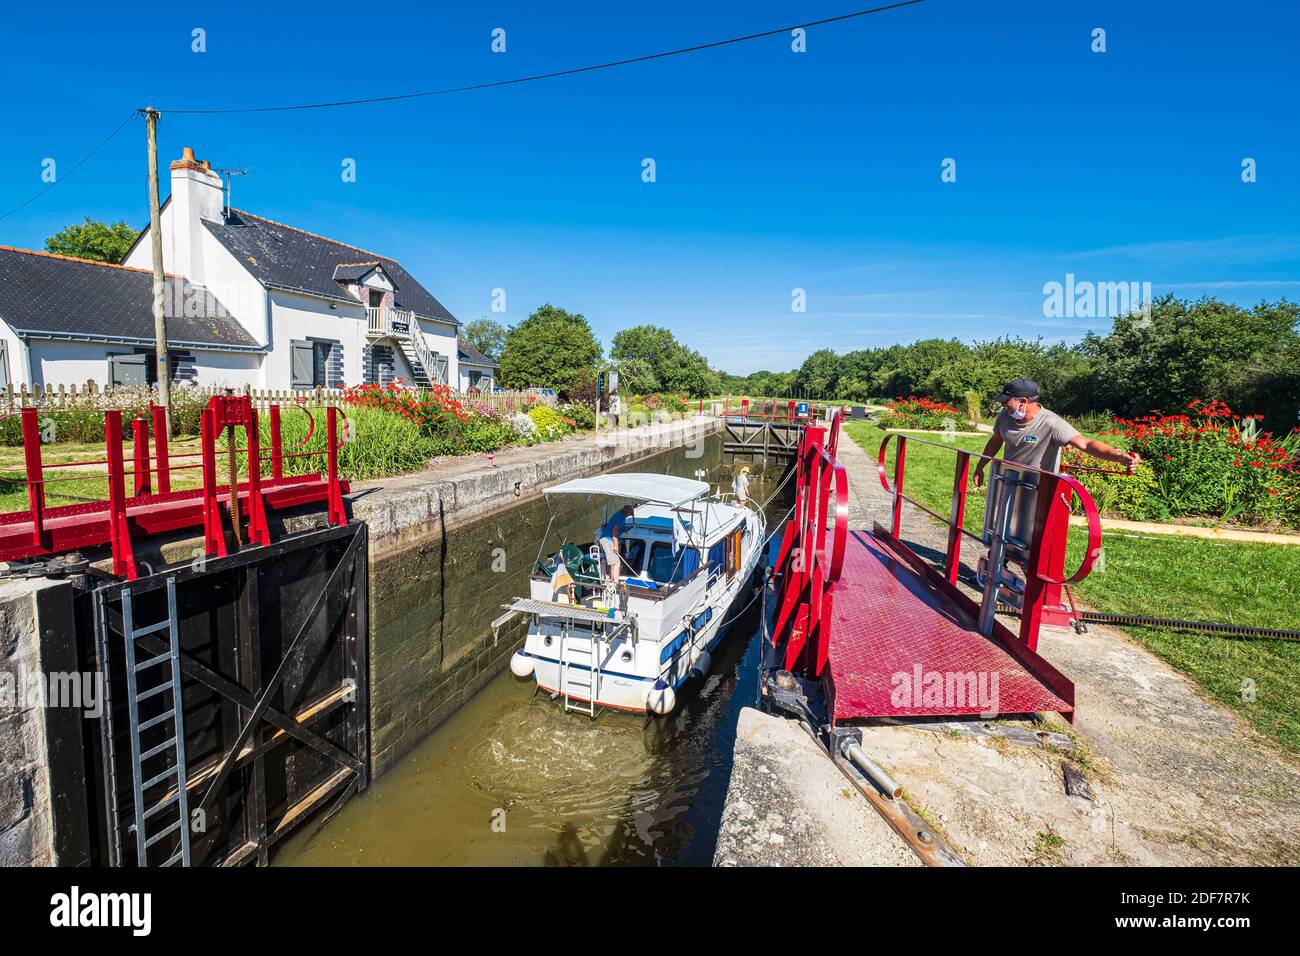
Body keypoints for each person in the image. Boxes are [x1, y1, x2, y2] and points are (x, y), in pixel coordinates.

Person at [973, 378, 1140, 487]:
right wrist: (980, 466)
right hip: (1008, 482)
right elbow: (996, 440)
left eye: (1006, 402)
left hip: (1037, 488)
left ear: (1023, 401)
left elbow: (1086, 443)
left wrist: (1118, 456)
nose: (1003, 406)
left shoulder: (1051, 423)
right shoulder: (1005, 417)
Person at [598, 504, 635, 579]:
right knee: (617, 563)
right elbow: (614, 531)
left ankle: (607, 579)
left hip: (605, 539)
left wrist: (622, 529)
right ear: (627, 512)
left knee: (609, 561)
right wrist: (616, 545)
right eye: (630, 514)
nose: (629, 515)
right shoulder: (621, 517)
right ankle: (615, 582)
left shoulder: (618, 515)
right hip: (608, 540)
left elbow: (616, 528)